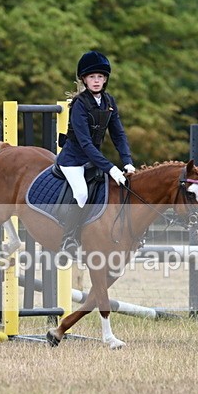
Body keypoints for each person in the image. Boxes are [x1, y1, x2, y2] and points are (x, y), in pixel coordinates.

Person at [55, 50, 136, 255]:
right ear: (84, 79)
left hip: (92, 160)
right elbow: (85, 144)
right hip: (73, 160)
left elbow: (118, 134)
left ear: (106, 79)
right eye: (92, 77)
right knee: (81, 193)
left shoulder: (109, 102)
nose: (97, 80)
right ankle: (68, 240)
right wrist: (111, 168)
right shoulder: (79, 105)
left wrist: (126, 161)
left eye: (100, 76)